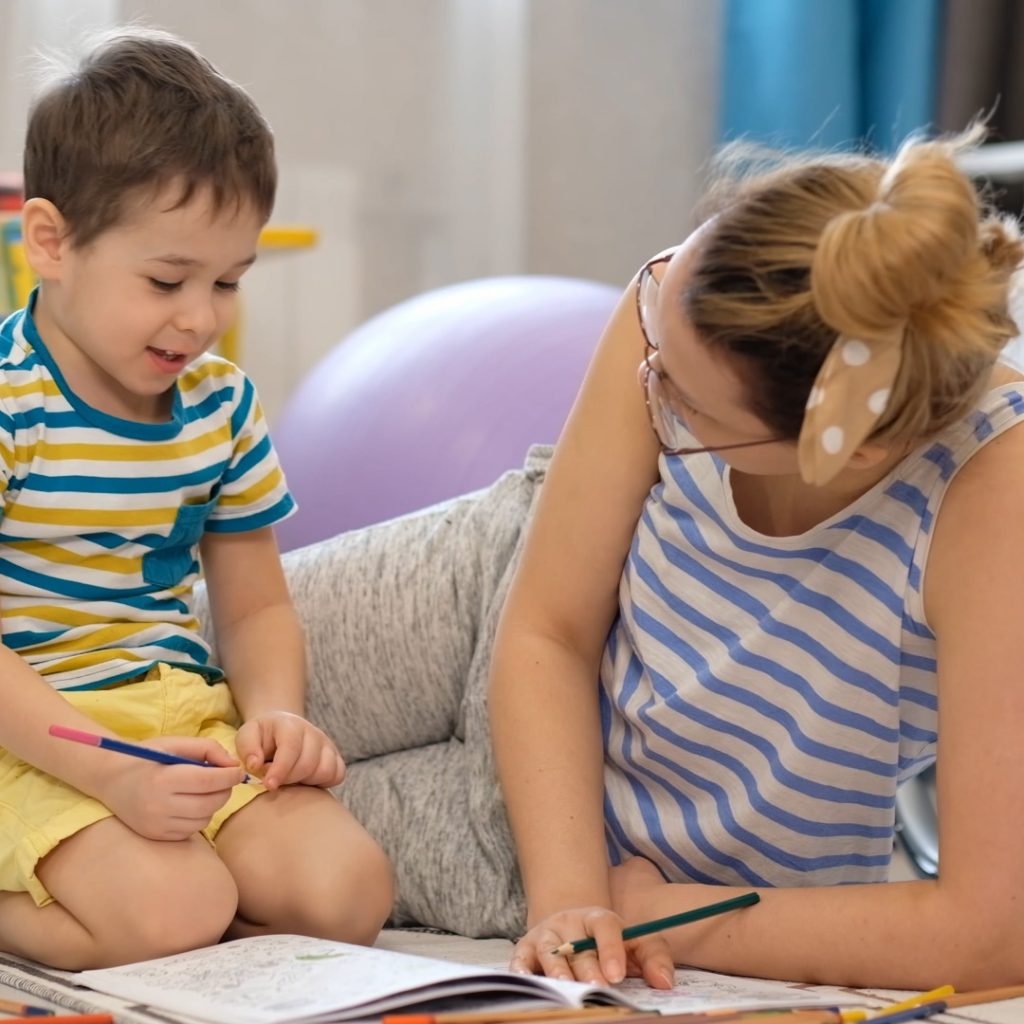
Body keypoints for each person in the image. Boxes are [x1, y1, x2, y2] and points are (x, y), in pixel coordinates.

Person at [488, 125, 1024, 991]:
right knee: (204, 674)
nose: (648, 386)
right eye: (652, 342)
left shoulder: (994, 493)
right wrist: (573, 898)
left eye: (686, 404)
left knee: (296, 856)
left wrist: (671, 919)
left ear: (841, 450)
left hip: (590, 841)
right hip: (502, 635)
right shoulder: (676, 308)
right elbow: (546, 630)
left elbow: (995, 933)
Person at [0, 27, 392, 970]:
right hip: (31, 733)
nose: (201, 315)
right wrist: (100, 767)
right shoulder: (13, 401)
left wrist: (277, 714)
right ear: (51, 242)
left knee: (350, 892)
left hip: (179, 723)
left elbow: (255, 603)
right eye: (167, 279)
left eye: (226, 281)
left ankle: (177, 927)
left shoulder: (220, 405)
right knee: (171, 911)